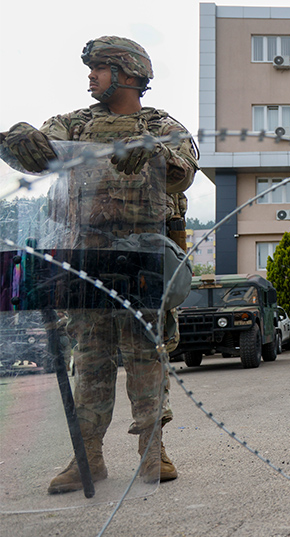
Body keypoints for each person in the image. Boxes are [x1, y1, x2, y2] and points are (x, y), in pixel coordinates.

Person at [0, 36, 199, 491]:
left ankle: (153, 452)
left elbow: (183, 170)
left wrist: (152, 151)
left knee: (145, 354)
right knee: (89, 358)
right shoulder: (74, 124)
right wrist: (19, 137)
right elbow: (35, 152)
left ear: (127, 73)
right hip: (81, 258)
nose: (91, 76)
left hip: (139, 260)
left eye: (99, 68)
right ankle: (86, 457)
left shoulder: (161, 124)